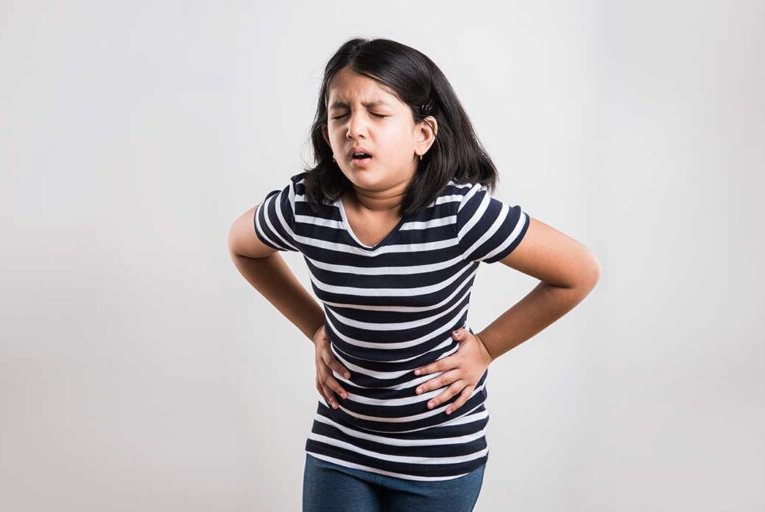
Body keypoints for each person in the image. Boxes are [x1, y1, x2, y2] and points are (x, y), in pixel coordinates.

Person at [227, 37, 600, 512]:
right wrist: (316, 327)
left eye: (377, 114)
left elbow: (578, 272)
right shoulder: (306, 206)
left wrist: (486, 347)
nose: (354, 129)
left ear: (423, 135)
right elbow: (244, 249)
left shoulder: (459, 212)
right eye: (339, 114)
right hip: (342, 439)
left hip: (438, 451)